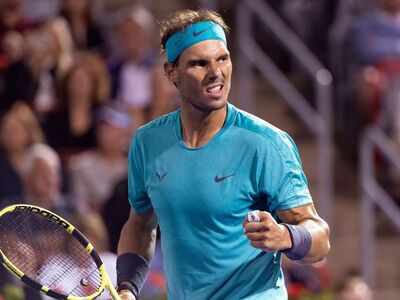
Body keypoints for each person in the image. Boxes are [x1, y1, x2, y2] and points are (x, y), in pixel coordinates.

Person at [116, 9, 330, 300]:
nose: (216, 72)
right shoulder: (147, 142)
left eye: (223, 58)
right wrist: (128, 287)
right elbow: (140, 224)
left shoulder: (266, 143)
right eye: (199, 63)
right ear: (171, 72)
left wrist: (287, 236)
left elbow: (320, 237)